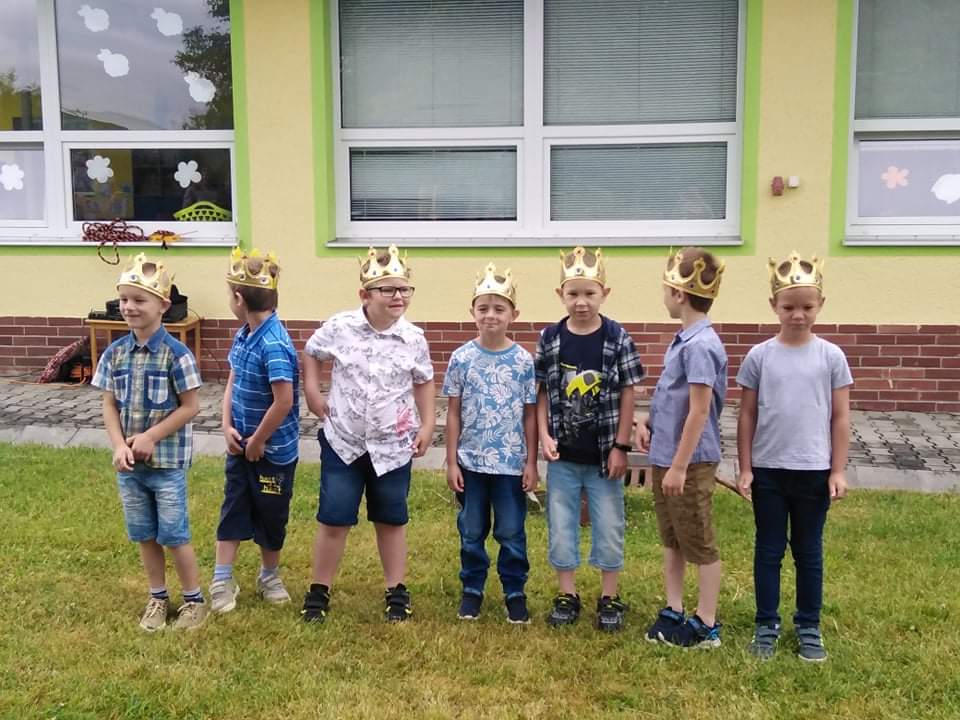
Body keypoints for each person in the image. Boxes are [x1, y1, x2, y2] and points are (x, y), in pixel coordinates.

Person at [301, 245, 436, 623]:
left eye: (404, 289)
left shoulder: (414, 338)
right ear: (364, 294)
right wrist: (312, 390)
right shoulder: (340, 327)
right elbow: (312, 351)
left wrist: (427, 424)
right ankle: (319, 589)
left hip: (393, 448)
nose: (398, 296)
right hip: (343, 443)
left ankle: (396, 589)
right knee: (334, 517)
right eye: (388, 290)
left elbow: (424, 381)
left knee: (391, 518)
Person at [736, 252, 852, 662]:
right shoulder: (760, 356)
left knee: (808, 551)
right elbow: (747, 414)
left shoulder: (831, 357)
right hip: (769, 470)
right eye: (788, 307)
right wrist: (745, 467)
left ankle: (808, 625)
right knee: (768, 550)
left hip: (813, 471)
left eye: (806, 306)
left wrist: (837, 470)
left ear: (821, 305)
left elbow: (840, 417)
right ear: (774, 306)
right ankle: (766, 623)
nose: (798, 315)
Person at [91, 253, 207, 631]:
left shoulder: (177, 355)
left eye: (139, 300)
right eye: (124, 299)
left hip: (166, 466)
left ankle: (194, 601)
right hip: (130, 468)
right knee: (144, 534)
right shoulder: (114, 354)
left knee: (174, 535)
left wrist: (151, 436)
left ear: (163, 306)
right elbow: (109, 404)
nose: (129, 307)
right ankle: (158, 597)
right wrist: (119, 445)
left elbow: (190, 406)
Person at [536, 247, 643, 632]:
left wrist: (621, 446)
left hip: (603, 458)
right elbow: (541, 391)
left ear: (604, 294)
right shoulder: (551, 338)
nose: (581, 302)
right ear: (560, 295)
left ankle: (609, 595)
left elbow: (629, 392)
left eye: (589, 293)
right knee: (561, 523)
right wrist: (544, 435)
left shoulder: (617, 337)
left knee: (609, 524)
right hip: (563, 456)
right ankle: (567, 593)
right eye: (573, 294)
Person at [635, 247, 727, 648]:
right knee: (672, 537)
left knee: (698, 540)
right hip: (666, 455)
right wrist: (649, 422)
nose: (664, 296)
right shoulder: (685, 340)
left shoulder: (700, 345)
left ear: (678, 293)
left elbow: (699, 411)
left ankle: (706, 622)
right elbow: (675, 400)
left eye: (665, 289)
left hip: (687, 462)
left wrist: (679, 467)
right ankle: (673, 608)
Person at [442, 263, 538, 624]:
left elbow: (530, 415)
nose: (491, 315)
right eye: (483, 308)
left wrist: (531, 462)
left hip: (510, 465)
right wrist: (452, 461)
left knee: (511, 531)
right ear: (472, 312)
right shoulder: (461, 358)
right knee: (471, 530)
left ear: (514, 314)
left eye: (499, 308)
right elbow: (453, 413)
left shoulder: (523, 361)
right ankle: (472, 589)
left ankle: (515, 591)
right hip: (471, 463)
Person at [210, 248, 299, 614]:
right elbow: (232, 380)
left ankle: (269, 575)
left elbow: (283, 401)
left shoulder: (274, 344)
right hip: (240, 448)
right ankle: (221, 578)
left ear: (238, 298)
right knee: (233, 507)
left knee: (271, 515)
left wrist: (259, 440)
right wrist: (226, 425)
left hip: (272, 454)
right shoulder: (244, 335)